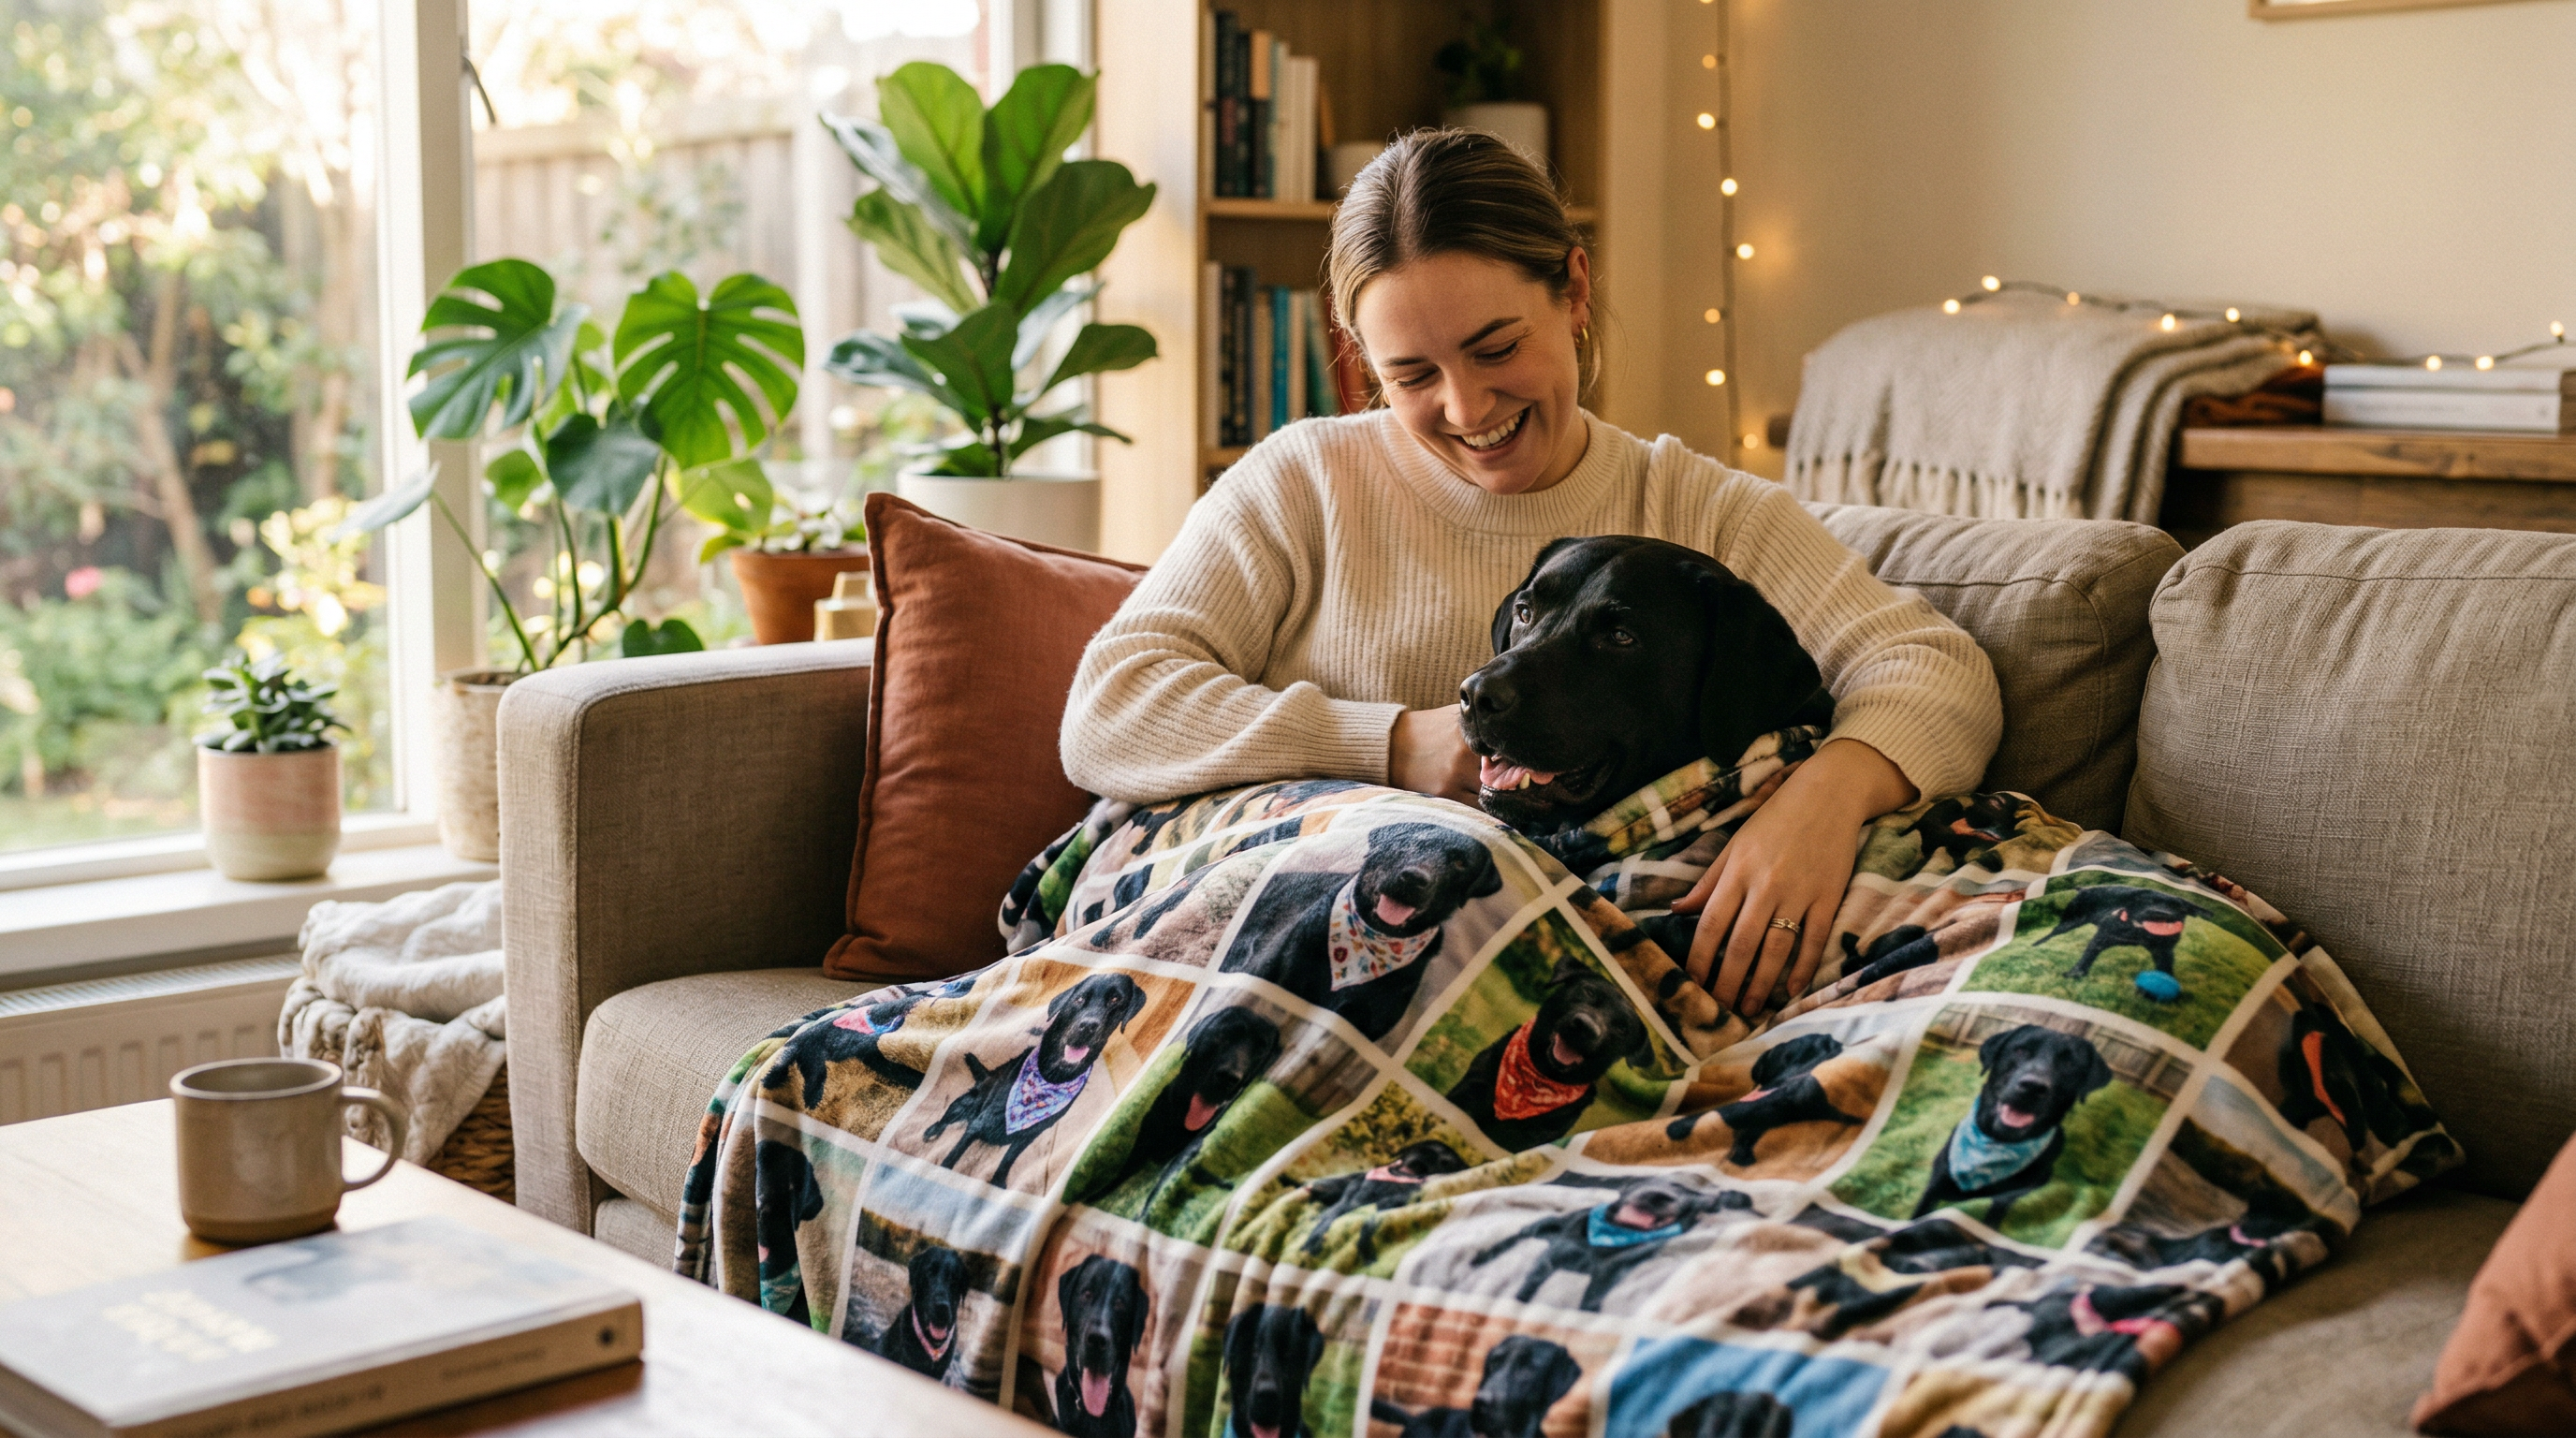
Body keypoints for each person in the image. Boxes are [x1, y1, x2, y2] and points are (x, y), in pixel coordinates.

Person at [1061, 128, 2000, 1020]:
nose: (1466, 406)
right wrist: (1391, 745)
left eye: (1496, 347)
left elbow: (1931, 669)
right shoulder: (1302, 482)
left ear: (1574, 290)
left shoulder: (1696, 511)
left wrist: (1820, 803)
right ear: (1360, 359)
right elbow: (1111, 708)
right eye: (1411, 375)